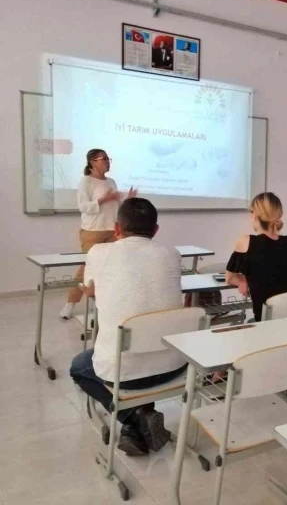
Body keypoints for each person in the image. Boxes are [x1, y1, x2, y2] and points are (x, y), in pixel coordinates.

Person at [69, 198, 184, 456]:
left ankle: (134, 417)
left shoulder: (98, 252)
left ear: (117, 228)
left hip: (122, 371)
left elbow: (90, 290)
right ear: (156, 230)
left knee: (78, 368)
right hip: (174, 368)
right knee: (144, 337)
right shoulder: (172, 254)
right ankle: (141, 417)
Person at [60, 149, 136, 320]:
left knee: (110, 268)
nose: (107, 162)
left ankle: (103, 305)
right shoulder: (86, 181)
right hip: (93, 231)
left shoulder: (111, 182)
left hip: (113, 230)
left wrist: (128, 200)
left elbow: (115, 207)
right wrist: (104, 199)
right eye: (104, 159)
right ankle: (70, 304)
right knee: (87, 268)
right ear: (92, 162)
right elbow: (83, 207)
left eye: (108, 159)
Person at [226, 192, 287, 322]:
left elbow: (230, 278)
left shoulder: (246, 241)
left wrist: (242, 281)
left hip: (265, 320)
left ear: (254, 215)